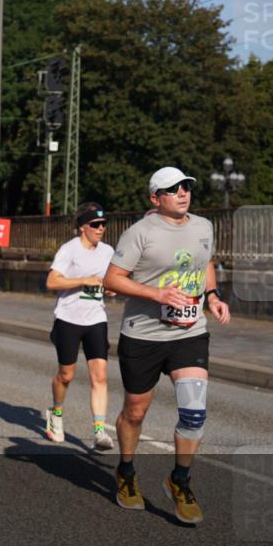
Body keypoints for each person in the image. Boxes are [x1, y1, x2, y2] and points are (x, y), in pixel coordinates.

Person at [104, 167, 231, 524]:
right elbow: (111, 280)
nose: (182, 192)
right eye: (173, 188)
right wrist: (155, 293)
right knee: (136, 412)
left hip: (189, 332)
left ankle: (180, 480)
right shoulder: (139, 233)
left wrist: (213, 295)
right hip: (143, 335)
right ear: (155, 198)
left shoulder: (204, 226)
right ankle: (126, 472)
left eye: (186, 186)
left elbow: (205, 264)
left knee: (194, 412)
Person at [45, 202, 114, 451]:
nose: (101, 228)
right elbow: (52, 281)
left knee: (100, 375)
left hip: (96, 318)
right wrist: (83, 280)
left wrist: (111, 288)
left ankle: (99, 431)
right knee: (67, 375)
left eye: (104, 224)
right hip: (68, 319)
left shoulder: (107, 252)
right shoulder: (69, 250)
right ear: (82, 227)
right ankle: (56, 414)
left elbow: (111, 282)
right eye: (95, 225)